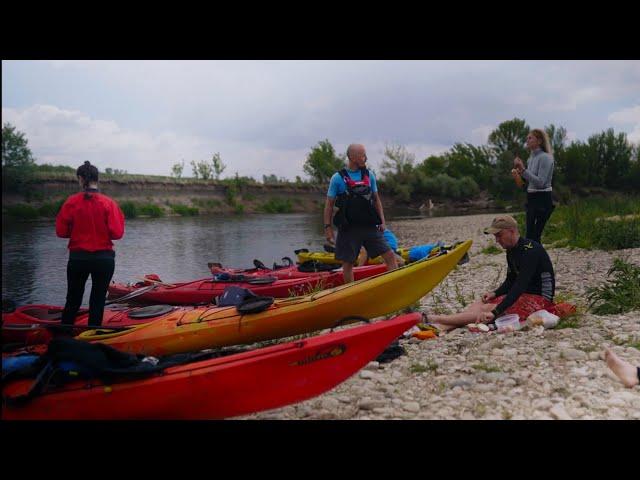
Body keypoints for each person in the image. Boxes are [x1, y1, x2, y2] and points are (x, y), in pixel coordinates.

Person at [424, 215, 555, 332]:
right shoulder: (511, 250)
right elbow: (511, 280)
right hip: (524, 294)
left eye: (499, 235)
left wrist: (496, 311)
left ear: (512, 231)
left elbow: (520, 285)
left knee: (488, 310)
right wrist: (495, 293)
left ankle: (435, 319)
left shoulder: (530, 251)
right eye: (495, 236)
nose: (497, 240)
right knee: (481, 303)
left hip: (540, 299)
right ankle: (444, 326)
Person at [56, 161, 125, 327]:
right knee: (98, 299)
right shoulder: (109, 203)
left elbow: (61, 232)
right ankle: (93, 336)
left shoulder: (71, 202)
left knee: (73, 299)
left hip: (78, 259)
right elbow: (117, 234)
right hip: (103, 259)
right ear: (97, 179)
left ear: (80, 179)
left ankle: (64, 336)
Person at [323, 144, 398, 283]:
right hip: (348, 229)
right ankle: (350, 292)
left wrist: (382, 220)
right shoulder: (337, 178)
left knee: (390, 255)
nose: (366, 157)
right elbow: (329, 205)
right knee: (348, 264)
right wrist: (328, 228)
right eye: (363, 155)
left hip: (370, 227)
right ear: (352, 157)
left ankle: (394, 285)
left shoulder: (369, 175)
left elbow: (376, 200)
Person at [513, 129, 555, 243]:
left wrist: (523, 170)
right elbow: (527, 183)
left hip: (543, 200)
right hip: (531, 199)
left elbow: (541, 183)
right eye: (527, 138)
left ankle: (538, 259)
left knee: (534, 237)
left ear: (539, 141)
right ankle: (535, 259)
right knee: (531, 236)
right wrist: (519, 175)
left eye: (530, 138)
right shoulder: (530, 158)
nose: (527, 140)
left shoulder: (546, 158)